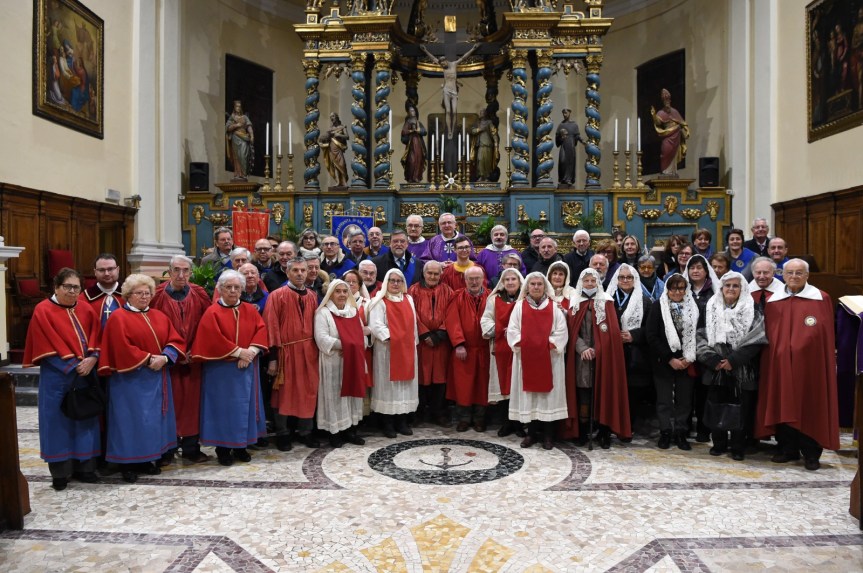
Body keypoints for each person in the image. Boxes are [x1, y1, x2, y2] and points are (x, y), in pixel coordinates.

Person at [98, 274, 185, 483]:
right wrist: (148, 359)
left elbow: (175, 340)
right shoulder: (118, 317)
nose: (144, 297)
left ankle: (148, 459)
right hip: (130, 381)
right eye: (139, 293)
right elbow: (121, 347)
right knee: (130, 421)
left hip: (157, 378)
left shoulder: (159, 316)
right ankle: (127, 463)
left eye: (147, 293)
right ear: (128, 295)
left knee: (151, 422)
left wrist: (165, 357)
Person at [755, 259, 840, 470]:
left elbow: (825, 336)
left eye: (799, 273)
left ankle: (811, 453)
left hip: (811, 368)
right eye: (789, 272)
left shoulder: (821, 299)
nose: (794, 276)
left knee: (810, 404)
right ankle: (787, 449)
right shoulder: (774, 301)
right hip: (779, 366)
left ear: (807, 275)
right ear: (782, 275)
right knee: (782, 402)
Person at [24, 268, 101, 491]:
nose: (72, 291)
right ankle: (61, 473)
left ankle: (85, 468)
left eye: (76, 287)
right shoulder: (43, 311)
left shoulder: (86, 309)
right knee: (58, 424)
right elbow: (42, 344)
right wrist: (72, 366)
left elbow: (97, 336)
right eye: (67, 286)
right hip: (57, 377)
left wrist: (93, 359)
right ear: (56, 287)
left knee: (84, 421)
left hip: (85, 375)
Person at [192, 271, 268, 466]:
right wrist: (238, 353)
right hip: (221, 372)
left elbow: (261, 329)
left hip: (246, 369)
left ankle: (242, 446)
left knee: (245, 408)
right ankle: (223, 449)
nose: (233, 291)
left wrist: (250, 352)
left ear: (242, 289)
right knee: (223, 410)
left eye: (237, 287)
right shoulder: (212, 312)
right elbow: (212, 339)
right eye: (228, 287)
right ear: (220, 289)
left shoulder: (250, 310)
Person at [696, 272, 767, 461]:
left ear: (742, 289)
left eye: (736, 286)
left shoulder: (753, 308)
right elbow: (700, 335)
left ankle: (738, 446)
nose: (731, 289)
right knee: (716, 405)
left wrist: (733, 361)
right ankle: (718, 443)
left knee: (742, 408)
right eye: (727, 286)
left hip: (742, 368)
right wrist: (713, 360)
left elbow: (757, 338)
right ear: (721, 288)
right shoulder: (709, 307)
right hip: (716, 367)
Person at [150, 255, 213, 465]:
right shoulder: (156, 296)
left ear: (191, 272)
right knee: (168, 405)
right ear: (169, 272)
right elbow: (150, 327)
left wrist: (195, 349)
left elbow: (208, 323)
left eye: (186, 270)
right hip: (168, 362)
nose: (181, 275)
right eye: (176, 270)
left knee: (193, 407)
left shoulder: (200, 294)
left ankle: (191, 448)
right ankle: (166, 449)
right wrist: (173, 353)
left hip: (193, 360)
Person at [562, 268, 631, 448]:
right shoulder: (575, 302)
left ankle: (604, 431)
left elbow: (612, 333)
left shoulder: (607, 302)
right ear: (581, 283)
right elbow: (571, 331)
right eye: (587, 281)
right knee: (584, 396)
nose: (590, 284)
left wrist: (598, 349)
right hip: (581, 359)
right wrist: (583, 348)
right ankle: (583, 431)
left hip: (604, 358)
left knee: (604, 393)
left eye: (593, 281)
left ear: (598, 282)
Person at [264, 257, 320, 451]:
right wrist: (273, 358)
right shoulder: (277, 295)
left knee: (308, 391)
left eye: (303, 270)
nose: (299, 274)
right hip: (285, 351)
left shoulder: (312, 295)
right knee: (284, 393)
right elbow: (271, 326)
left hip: (309, 351)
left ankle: (306, 432)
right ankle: (283, 433)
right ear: (287, 272)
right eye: (295, 270)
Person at [507, 272, 569, 450]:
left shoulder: (554, 307)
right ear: (527, 286)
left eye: (539, 284)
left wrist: (546, 345)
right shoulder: (519, 307)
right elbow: (513, 331)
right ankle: (532, 434)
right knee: (531, 397)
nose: (535, 287)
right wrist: (527, 344)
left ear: (545, 286)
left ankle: (548, 435)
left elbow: (561, 332)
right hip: (525, 358)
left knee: (548, 397)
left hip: (550, 359)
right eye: (532, 284)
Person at [646, 273, 699, 451]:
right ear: (667, 290)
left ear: (686, 290)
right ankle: (666, 432)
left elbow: (699, 334)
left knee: (684, 401)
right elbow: (651, 336)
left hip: (687, 360)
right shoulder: (657, 307)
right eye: (673, 288)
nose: (677, 292)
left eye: (681, 288)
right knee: (664, 400)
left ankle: (681, 433)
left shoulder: (693, 307)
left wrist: (688, 357)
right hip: (664, 361)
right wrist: (670, 358)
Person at [314, 280, 369, 448]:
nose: (342, 294)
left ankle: (350, 431)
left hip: (353, 361)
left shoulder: (353, 312)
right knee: (334, 396)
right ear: (331, 293)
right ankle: (334, 433)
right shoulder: (323, 313)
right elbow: (322, 338)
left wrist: (354, 345)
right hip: (334, 362)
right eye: (338, 291)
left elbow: (362, 337)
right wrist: (346, 344)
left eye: (345, 291)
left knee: (351, 396)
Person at [368, 269, 420, 438]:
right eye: (392, 280)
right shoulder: (379, 301)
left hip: (407, 350)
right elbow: (376, 325)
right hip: (387, 351)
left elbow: (414, 323)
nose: (396, 284)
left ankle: (402, 421)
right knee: (388, 388)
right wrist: (393, 338)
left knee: (405, 388)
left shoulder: (409, 299)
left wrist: (412, 342)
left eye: (399, 280)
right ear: (386, 283)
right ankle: (388, 423)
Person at [607, 264, 654, 433]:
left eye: (629, 277)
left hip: (635, 354)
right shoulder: (608, 299)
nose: (625, 280)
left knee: (632, 393)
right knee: (613, 391)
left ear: (635, 280)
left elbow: (651, 329)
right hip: (612, 352)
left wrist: (634, 335)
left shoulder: (645, 301)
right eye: (622, 277)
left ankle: (628, 427)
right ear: (616, 280)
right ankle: (611, 425)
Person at [408, 261, 454, 426]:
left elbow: (452, 313)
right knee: (421, 378)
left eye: (436, 273)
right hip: (422, 343)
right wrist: (424, 333)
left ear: (441, 274)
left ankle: (439, 413)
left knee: (440, 379)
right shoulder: (413, 290)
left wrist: (440, 334)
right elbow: (411, 314)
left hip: (441, 342)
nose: (433, 276)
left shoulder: (448, 291)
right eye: (430, 273)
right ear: (424, 273)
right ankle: (419, 413)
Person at [445, 266, 491, 432]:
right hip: (464, 349)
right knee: (463, 386)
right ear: (465, 281)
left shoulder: (491, 296)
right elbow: (452, 320)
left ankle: (480, 419)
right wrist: (458, 344)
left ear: (483, 279)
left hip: (485, 349)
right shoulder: (457, 296)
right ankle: (464, 419)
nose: (473, 282)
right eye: (470, 279)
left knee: (482, 385)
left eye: (477, 278)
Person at [480, 267, 525, 437]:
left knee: (518, 385)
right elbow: (485, 320)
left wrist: (515, 332)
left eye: (513, 279)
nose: (510, 282)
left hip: (520, 350)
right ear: (502, 283)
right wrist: (500, 330)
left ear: (520, 281)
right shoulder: (494, 300)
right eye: (507, 280)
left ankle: (519, 424)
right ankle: (507, 423)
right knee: (503, 386)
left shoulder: (525, 300)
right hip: (499, 348)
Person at [419, 42, 480, 139]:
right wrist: (425, 50)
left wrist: (473, 49)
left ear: (446, 61)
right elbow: (433, 58)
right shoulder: (443, 68)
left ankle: (453, 128)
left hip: (454, 92)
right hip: (446, 90)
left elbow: (464, 57)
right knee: (447, 111)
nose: (443, 65)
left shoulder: (454, 64)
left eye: (443, 63)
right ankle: (450, 131)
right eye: (441, 64)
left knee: (454, 111)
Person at [649, 88, 689, 177]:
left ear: (670, 101)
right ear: (663, 102)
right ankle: (665, 171)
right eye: (665, 101)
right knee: (665, 153)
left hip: (676, 135)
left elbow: (683, 123)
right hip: (667, 136)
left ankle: (673, 171)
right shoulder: (660, 112)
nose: (666, 102)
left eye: (668, 100)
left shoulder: (675, 111)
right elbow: (658, 123)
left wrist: (687, 130)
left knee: (674, 154)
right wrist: (654, 115)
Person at [78, 253, 124, 328]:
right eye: (101, 270)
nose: (106, 273)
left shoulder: (130, 295)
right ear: (95, 272)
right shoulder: (83, 299)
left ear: (118, 270)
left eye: (110, 269)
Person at [225, 100, 254, 180]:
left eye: (239, 106)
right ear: (234, 107)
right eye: (236, 106)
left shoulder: (245, 117)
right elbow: (227, 128)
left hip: (244, 138)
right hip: (235, 137)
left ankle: (244, 174)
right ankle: (238, 174)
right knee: (236, 156)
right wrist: (236, 125)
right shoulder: (232, 117)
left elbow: (249, 126)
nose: (238, 108)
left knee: (244, 155)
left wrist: (252, 135)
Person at [469, 106, 500, 181]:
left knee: (487, 161)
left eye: (483, 112)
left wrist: (496, 142)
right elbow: (472, 131)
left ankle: (487, 177)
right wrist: (479, 129)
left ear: (485, 113)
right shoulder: (477, 123)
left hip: (488, 145)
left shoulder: (489, 122)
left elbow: (494, 132)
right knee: (480, 160)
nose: (481, 113)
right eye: (480, 112)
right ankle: (481, 176)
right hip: (480, 145)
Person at [555, 108, 582, 187]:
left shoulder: (574, 125)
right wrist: (561, 138)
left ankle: (569, 179)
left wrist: (582, 140)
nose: (564, 114)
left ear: (570, 113)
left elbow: (577, 136)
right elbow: (557, 139)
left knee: (570, 162)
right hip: (563, 146)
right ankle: (562, 179)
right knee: (562, 161)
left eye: (566, 113)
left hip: (571, 146)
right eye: (563, 113)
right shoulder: (561, 125)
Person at [320, 112, 349, 188]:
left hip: (338, 148)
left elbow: (347, 136)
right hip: (331, 148)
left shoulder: (342, 127)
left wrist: (339, 135)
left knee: (342, 164)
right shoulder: (330, 129)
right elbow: (325, 138)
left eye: (333, 116)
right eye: (330, 117)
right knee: (335, 165)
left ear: (336, 117)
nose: (331, 118)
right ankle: (338, 182)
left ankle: (344, 182)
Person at [401, 105, 427, 183]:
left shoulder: (419, 122)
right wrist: (411, 131)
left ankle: (417, 177)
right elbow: (403, 132)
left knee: (419, 160)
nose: (412, 112)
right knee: (411, 161)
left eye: (413, 111)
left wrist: (419, 131)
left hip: (419, 145)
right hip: (411, 145)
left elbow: (424, 132)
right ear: (408, 113)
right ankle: (411, 177)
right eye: (410, 111)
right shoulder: (408, 122)